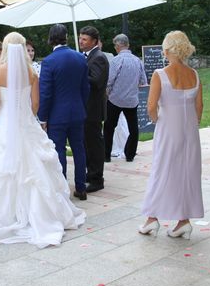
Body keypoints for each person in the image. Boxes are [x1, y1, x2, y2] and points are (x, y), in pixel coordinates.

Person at [0, 32, 85, 247]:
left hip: (4, 123)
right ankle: (38, 214)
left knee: (3, 169)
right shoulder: (31, 72)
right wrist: (27, 117)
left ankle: (5, 215)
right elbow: (35, 103)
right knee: (35, 168)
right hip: (27, 123)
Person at [140, 31, 204, 239]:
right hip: (190, 131)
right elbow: (199, 106)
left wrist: (157, 119)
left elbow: (151, 106)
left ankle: (152, 219)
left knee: (162, 170)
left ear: (166, 50)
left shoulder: (160, 74)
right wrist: (193, 123)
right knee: (187, 173)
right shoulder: (194, 74)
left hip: (168, 129)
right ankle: (183, 220)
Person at [38, 24, 90, 200]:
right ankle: (81, 187)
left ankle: (62, 189)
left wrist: (42, 117)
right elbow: (85, 88)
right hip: (77, 111)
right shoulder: (80, 57)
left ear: (50, 38)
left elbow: (45, 93)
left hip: (57, 114)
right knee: (79, 149)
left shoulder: (49, 61)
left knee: (59, 150)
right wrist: (81, 106)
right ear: (66, 37)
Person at [103, 34, 147, 162]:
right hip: (132, 100)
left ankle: (106, 155)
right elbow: (143, 80)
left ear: (117, 46)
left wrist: (107, 92)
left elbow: (109, 80)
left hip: (115, 99)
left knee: (109, 127)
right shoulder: (138, 61)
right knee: (133, 128)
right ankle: (130, 154)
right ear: (127, 44)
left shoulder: (116, 60)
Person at [78, 26, 109, 193]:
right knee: (87, 143)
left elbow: (96, 81)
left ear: (94, 41)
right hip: (86, 108)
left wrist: (79, 72)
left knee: (94, 144)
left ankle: (97, 178)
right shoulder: (87, 56)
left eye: (84, 39)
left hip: (94, 109)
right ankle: (90, 173)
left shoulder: (99, 58)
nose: (81, 41)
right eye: (80, 38)